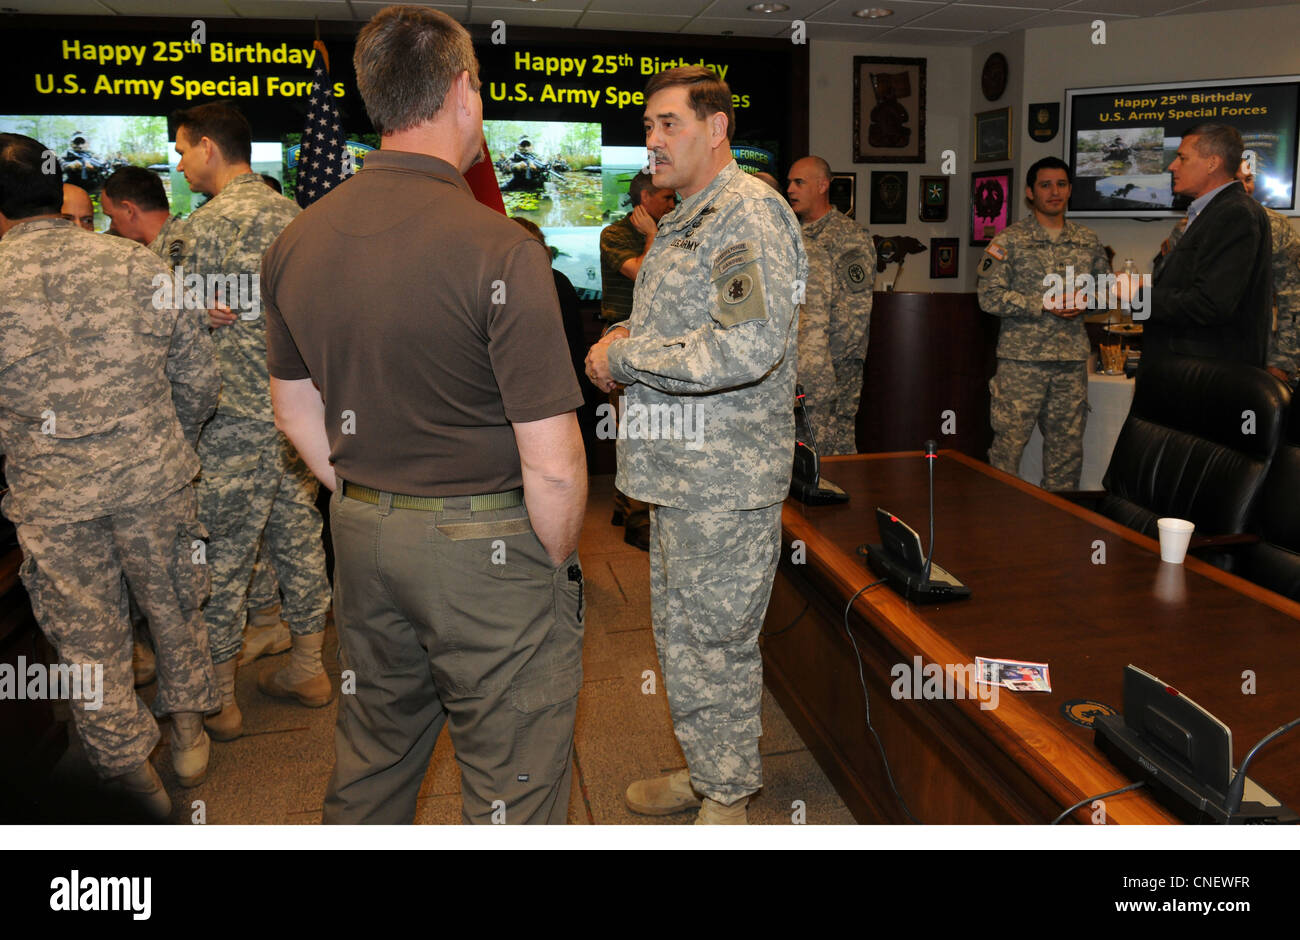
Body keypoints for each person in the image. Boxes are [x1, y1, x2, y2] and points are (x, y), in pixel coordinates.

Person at [263, 5, 587, 825]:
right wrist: (552, 564)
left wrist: (368, 494)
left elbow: (293, 407)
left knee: (373, 755)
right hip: (489, 548)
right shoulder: (502, 248)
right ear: (463, 93)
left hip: (363, 535)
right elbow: (551, 460)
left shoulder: (295, 242)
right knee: (511, 781)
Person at [585, 66, 806, 825]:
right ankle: (712, 767)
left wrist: (624, 360)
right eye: (647, 126)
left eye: (667, 124)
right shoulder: (688, 216)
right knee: (682, 638)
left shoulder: (747, 214)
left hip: (725, 478)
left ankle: (728, 798)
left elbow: (746, 351)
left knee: (715, 641)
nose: (652, 140)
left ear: (716, 129)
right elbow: (683, 325)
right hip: (681, 472)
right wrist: (626, 335)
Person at [0, 133, 220, 817]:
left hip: (53, 502)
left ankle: (135, 780)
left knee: (87, 647)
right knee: (177, 607)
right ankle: (187, 729)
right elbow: (198, 379)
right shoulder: (134, 264)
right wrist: (161, 439)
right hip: (152, 481)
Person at [173, 102, 333, 740]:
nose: (181, 164)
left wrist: (190, 308)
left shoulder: (199, 229)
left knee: (223, 554)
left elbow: (151, 317)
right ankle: (309, 667)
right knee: (301, 543)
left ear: (208, 147)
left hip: (231, 424)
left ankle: (222, 700)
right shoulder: (307, 223)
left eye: (183, 150)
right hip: (301, 422)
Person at [976, 156, 1111, 490]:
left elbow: (1106, 294)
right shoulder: (1008, 241)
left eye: (1062, 184)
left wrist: (1085, 302)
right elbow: (988, 296)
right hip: (1022, 363)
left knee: (1066, 455)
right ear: (1030, 193)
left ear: (1069, 191)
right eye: (1046, 185)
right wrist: (1043, 305)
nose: (1055, 192)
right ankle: (998, 526)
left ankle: (1059, 529)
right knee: (1007, 450)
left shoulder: (1088, 241)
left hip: (1070, 362)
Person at [1141, 124, 1272, 367]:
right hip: (1187, 373)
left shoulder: (1235, 213)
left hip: (1207, 379)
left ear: (1212, 163)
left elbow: (1210, 305)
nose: (1172, 166)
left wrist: (1137, 297)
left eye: (1182, 158)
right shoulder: (1210, 212)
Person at [1160, 163, 1300, 382]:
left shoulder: (1277, 227)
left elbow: (1292, 300)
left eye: (1249, 179)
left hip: (1251, 355)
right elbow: (1173, 292)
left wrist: (1282, 362)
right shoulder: (1188, 226)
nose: (1244, 187)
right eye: (1237, 180)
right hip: (1193, 353)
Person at [599, 170, 676, 549]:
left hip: (656, 342)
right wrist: (651, 237)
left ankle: (621, 507)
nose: (672, 204)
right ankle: (637, 522)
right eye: (666, 198)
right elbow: (644, 275)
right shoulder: (614, 234)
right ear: (644, 199)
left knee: (642, 428)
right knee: (635, 432)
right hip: (620, 338)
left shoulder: (673, 230)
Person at [787, 155, 875, 454]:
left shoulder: (849, 237)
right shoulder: (790, 234)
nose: (790, 189)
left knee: (834, 456)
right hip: (794, 370)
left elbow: (856, 314)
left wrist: (825, 363)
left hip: (836, 370)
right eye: (789, 182)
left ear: (823, 186)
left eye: (799, 182)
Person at [101, 166, 189, 265]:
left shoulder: (186, 252)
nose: (112, 226)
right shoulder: (192, 238)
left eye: (112, 217)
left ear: (129, 210)